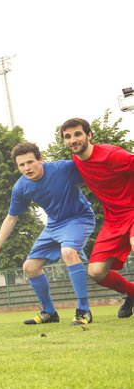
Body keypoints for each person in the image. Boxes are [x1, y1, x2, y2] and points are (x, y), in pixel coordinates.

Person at [0, 141, 95, 326]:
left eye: (30, 162)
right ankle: (49, 312)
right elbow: (11, 218)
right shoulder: (21, 187)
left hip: (79, 218)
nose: (27, 168)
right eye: (21, 165)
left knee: (69, 253)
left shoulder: (63, 168)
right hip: (54, 225)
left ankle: (83, 310)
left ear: (41, 159)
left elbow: (94, 169)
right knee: (30, 267)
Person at [60, 118, 134, 318]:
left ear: (89, 135)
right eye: (68, 137)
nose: (73, 140)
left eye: (77, 134)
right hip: (114, 220)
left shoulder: (114, 155)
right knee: (96, 272)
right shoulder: (77, 161)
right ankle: (132, 292)